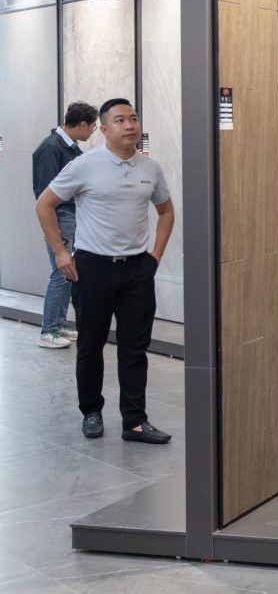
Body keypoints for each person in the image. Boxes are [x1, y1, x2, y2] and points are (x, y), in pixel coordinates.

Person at [34, 98, 175, 444]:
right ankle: (91, 412)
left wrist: (155, 255)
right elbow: (45, 204)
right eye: (120, 120)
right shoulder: (85, 165)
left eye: (133, 118)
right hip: (93, 268)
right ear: (103, 128)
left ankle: (135, 421)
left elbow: (166, 211)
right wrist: (61, 252)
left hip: (137, 269)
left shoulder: (150, 168)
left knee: (134, 347)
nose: (129, 125)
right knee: (91, 344)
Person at [31, 101, 98, 348]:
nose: (93, 132)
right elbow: (45, 194)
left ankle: (59, 324)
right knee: (61, 272)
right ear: (82, 125)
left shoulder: (71, 148)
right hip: (60, 217)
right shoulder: (51, 148)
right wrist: (53, 231)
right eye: (93, 127)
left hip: (71, 215)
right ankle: (48, 330)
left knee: (69, 272)